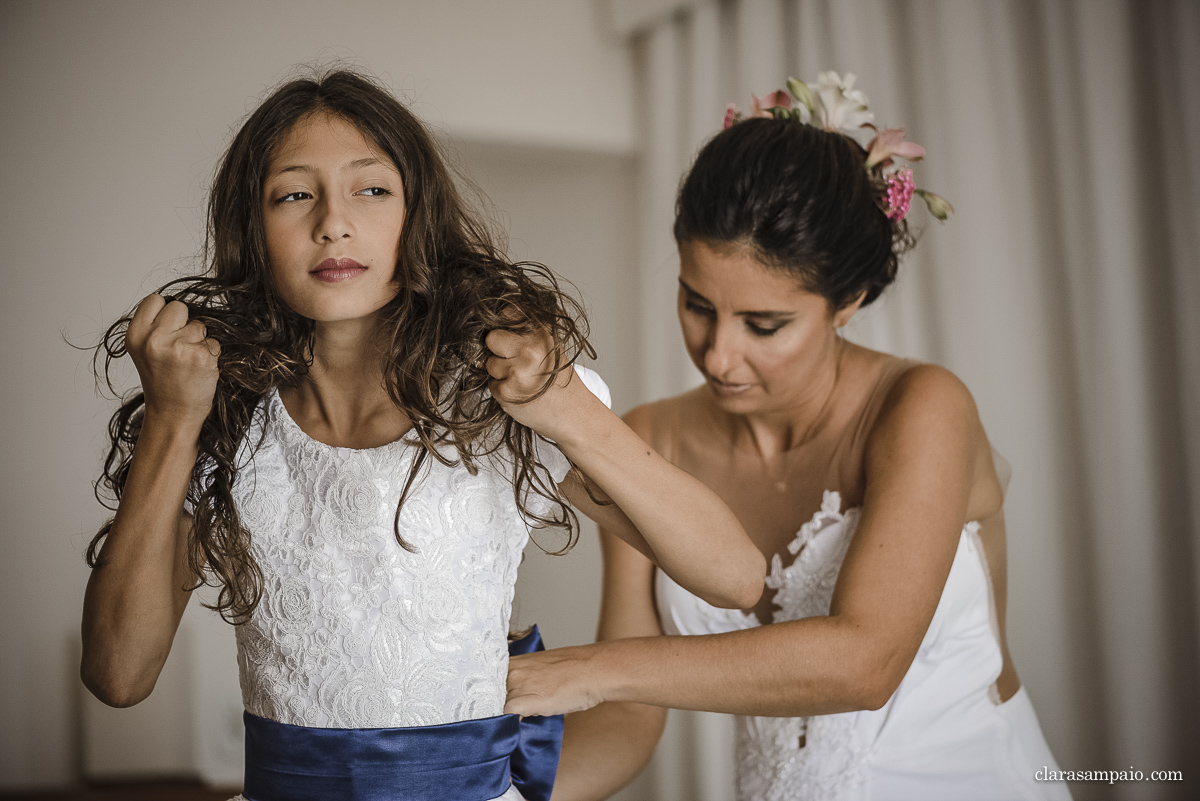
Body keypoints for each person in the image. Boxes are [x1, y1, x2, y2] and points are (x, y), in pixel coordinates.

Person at [79, 69, 766, 801]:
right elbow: (118, 675)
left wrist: (567, 405)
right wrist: (172, 421)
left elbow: (735, 576)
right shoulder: (225, 421)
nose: (333, 222)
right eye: (294, 194)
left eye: (371, 189)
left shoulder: (494, 403)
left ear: (418, 217)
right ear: (254, 230)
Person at [506, 73, 1071, 800]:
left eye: (764, 325)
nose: (718, 355)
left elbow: (865, 662)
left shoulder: (922, 407)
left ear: (850, 302)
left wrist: (582, 667)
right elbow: (627, 716)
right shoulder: (651, 438)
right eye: (697, 304)